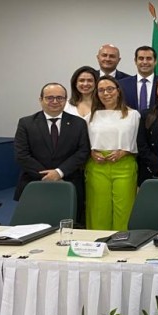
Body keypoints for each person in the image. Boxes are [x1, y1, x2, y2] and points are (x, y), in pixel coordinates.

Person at [14, 83, 90, 223]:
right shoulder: (26, 123)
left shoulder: (79, 123)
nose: (55, 101)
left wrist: (59, 172)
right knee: (32, 227)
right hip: (34, 182)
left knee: (70, 226)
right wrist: (48, 175)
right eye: (49, 98)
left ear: (65, 100)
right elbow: (22, 155)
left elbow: (83, 151)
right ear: (40, 99)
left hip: (69, 181)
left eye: (59, 98)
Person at [86, 76, 141, 230]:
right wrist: (91, 153)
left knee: (124, 209)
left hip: (124, 165)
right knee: (98, 208)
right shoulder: (90, 116)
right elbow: (85, 142)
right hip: (97, 166)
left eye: (110, 89)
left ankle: (123, 244)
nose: (106, 93)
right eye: (101, 90)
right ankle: (97, 243)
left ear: (118, 91)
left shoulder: (133, 115)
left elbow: (138, 141)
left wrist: (124, 151)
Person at [118, 46, 158, 111]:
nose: (145, 62)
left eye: (149, 58)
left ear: (155, 61)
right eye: (141, 58)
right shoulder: (122, 84)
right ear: (135, 61)